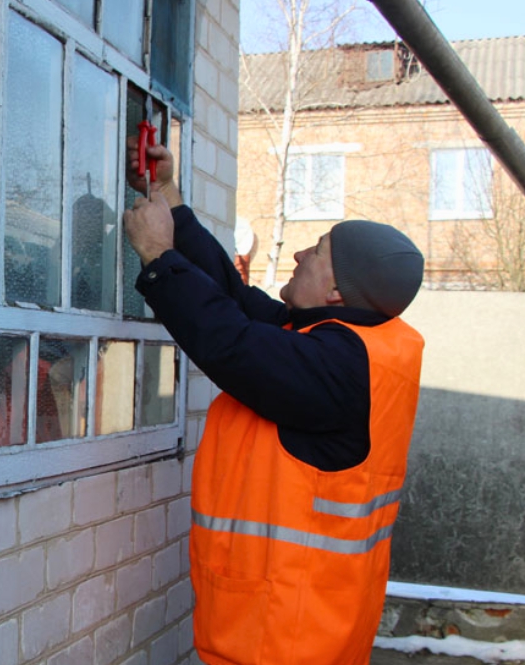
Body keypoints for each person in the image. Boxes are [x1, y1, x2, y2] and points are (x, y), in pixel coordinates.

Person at [122, 141, 425, 665]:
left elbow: (231, 343)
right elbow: (231, 299)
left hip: (288, 635)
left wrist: (157, 256)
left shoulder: (337, 366)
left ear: (336, 288)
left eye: (319, 249)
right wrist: (167, 196)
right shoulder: (347, 343)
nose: (302, 253)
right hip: (302, 618)